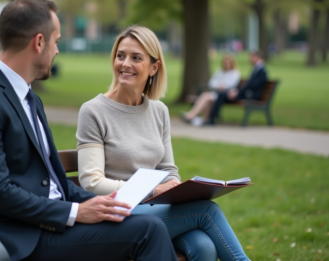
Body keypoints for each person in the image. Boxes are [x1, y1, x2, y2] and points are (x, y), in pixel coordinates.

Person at [0, 0, 177, 261]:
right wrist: (76, 213)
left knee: (148, 227)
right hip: (15, 239)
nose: (57, 50)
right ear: (39, 42)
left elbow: (57, 184)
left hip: (50, 227)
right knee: (148, 230)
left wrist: (104, 201)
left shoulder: (29, 98)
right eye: (56, 42)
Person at [76, 25, 251, 261]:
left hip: (155, 210)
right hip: (118, 213)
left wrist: (176, 189)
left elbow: (168, 169)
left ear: (154, 67)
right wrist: (151, 190)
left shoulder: (159, 111)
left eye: (136, 58)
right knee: (207, 212)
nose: (125, 64)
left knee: (204, 247)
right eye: (120, 55)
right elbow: (91, 182)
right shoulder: (94, 111)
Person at [206, 50, 268, 125]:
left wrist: (237, 92)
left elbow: (252, 85)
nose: (250, 59)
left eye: (252, 57)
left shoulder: (262, 71)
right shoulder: (257, 69)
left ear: (258, 57)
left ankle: (211, 119)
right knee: (222, 95)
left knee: (222, 95)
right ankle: (212, 117)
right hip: (246, 93)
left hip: (251, 96)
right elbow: (250, 85)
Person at [180, 54, 240, 125]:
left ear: (232, 63)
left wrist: (220, 85)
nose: (226, 64)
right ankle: (205, 119)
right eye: (225, 62)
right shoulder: (220, 71)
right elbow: (211, 83)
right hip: (216, 93)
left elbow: (230, 85)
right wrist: (219, 85)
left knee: (205, 96)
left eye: (228, 63)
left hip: (225, 95)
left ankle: (191, 115)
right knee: (207, 98)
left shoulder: (235, 73)